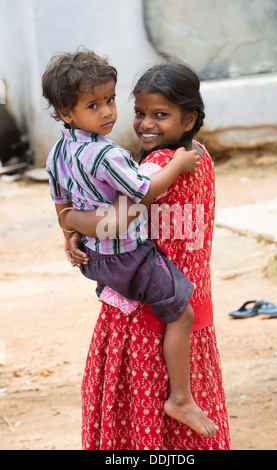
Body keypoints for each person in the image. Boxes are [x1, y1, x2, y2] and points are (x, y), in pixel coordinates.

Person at [42, 49, 216, 438]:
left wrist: (68, 227)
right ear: (67, 113)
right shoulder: (132, 157)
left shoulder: (59, 150)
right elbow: (132, 205)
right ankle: (182, 399)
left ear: (188, 118)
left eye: (110, 101)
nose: (110, 113)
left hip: (102, 261)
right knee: (181, 314)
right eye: (140, 112)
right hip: (130, 261)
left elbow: (60, 197)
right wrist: (78, 223)